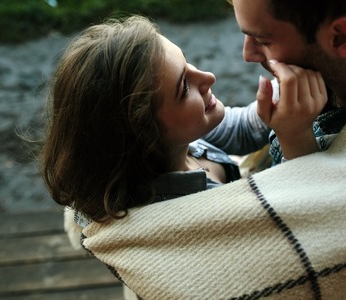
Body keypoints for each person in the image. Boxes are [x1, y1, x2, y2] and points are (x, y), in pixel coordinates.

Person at [79, 3, 346, 300]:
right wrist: (291, 133)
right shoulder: (166, 203)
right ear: (146, 132)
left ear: (340, 39)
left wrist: (291, 133)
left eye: (262, 40)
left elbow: (313, 229)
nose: (246, 55)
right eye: (183, 87)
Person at [42, 15, 326, 231]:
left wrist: (290, 88)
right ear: (144, 133)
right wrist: (295, 140)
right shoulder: (192, 215)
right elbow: (294, 222)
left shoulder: (177, 143)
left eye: (188, 63)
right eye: (183, 88)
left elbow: (244, 129)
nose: (208, 77)